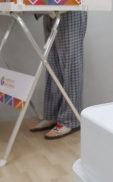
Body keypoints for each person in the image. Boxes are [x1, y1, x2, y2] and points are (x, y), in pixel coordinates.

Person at [30, 11, 87, 139]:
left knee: (71, 67)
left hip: (72, 6)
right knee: (52, 65)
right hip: (49, 7)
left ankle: (70, 120)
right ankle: (52, 115)